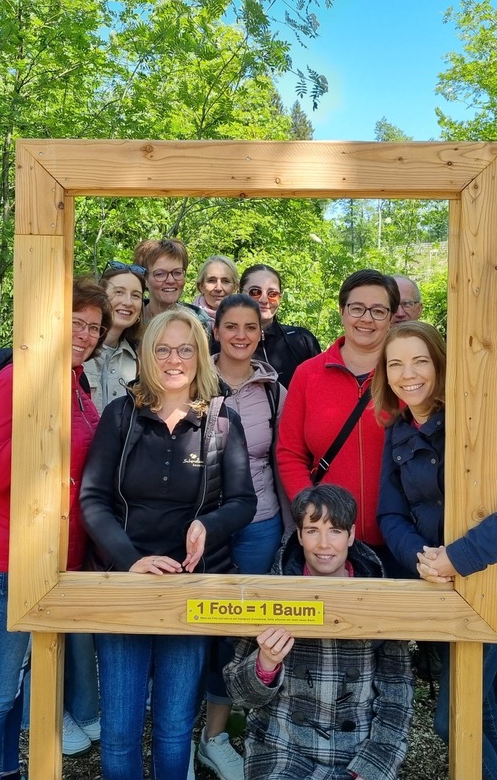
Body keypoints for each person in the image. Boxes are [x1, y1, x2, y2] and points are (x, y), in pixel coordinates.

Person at [80, 308, 257, 780]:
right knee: (119, 728)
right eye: (162, 349)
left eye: (184, 349)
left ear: (199, 356)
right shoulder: (122, 414)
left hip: (189, 588)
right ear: (147, 356)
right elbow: (92, 498)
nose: (173, 359)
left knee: (175, 726)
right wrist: (130, 560)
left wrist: (209, 526)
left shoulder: (222, 420)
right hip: (125, 586)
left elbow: (243, 501)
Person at [373, 321, 497, 780]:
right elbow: (390, 516)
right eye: (395, 363)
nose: (407, 374)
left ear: (439, 363)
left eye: (419, 361)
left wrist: (459, 556)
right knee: (474, 702)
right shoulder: (396, 430)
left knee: (457, 710)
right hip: (437, 576)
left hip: (492, 573)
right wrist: (424, 557)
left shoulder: (479, 418)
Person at [0, 277, 111, 779]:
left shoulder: (77, 385)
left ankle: (5, 772)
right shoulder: (16, 379)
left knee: (22, 685)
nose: (85, 334)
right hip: (9, 559)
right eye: (77, 322)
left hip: (57, 563)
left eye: (94, 326)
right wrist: (37, 434)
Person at [223, 484, 413, 780]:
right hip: (281, 747)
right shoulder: (273, 593)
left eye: (335, 531)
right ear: (299, 535)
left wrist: (373, 765)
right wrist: (265, 664)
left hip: (356, 752)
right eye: (312, 530)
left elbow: (396, 697)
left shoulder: (379, 597)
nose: (324, 544)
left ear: (350, 535)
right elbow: (239, 695)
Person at [196, 293, 288, 780]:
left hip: (259, 522)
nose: (239, 335)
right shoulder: (191, 378)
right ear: (215, 330)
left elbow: (286, 455)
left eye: (249, 327)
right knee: (189, 623)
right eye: (230, 326)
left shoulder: (273, 390)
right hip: (197, 524)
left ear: (260, 332)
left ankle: (215, 737)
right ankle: (174, 735)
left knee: (236, 630)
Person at [275, 269, 400, 572]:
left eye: (378, 310)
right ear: (342, 310)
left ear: (392, 316)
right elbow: (289, 452)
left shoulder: (407, 375)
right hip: (329, 545)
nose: (366, 319)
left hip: (401, 538)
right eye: (357, 308)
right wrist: (310, 511)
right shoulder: (308, 374)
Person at [238, 263, 321, 391]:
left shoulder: (302, 340)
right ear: (240, 294)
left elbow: (319, 393)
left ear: (280, 298)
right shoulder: (227, 342)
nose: (264, 300)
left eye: (272, 294)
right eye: (255, 292)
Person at [85, 260, 145, 412]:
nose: (128, 302)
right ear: (100, 297)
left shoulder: (139, 360)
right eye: (119, 292)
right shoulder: (77, 349)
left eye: (136, 295)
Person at [136, 237, 214, 337]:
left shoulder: (199, 324)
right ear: (145, 279)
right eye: (160, 274)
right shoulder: (130, 321)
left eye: (177, 273)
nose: (171, 280)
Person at [192, 255, 240, 324]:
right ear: (201, 286)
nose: (218, 288)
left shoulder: (245, 319)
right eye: (211, 280)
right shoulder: (188, 319)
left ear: (235, 287)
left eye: (225, 281)